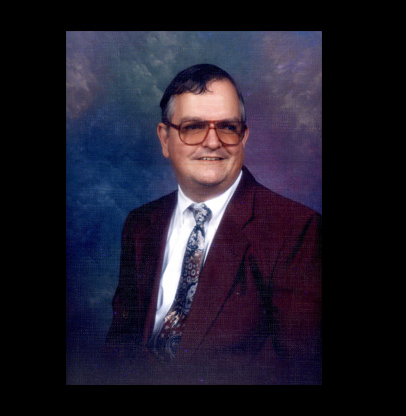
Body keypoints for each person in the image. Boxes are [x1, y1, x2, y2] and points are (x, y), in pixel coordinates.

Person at [102, 64, 321, 384]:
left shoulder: (297, 230)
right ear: (165, 139)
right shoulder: (141, 224)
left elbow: (296, 370)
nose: (213, 142)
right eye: (193, 127)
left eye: (228, 127)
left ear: (243, 138)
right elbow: (120, 345)